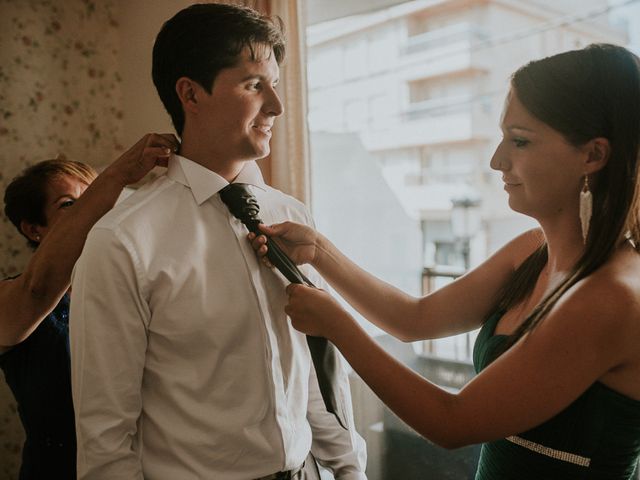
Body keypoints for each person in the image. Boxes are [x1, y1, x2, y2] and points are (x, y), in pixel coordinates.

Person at [250, 43, 640, 479]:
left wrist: (337, 325)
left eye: (520, 141)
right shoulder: (531, 251)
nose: (497, 160)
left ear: (593, 155)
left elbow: (453, 422)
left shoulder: (611, 298)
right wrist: (319, 252)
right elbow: (415, 319)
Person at [69, 4, 366, 480]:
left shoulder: (290, 216)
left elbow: (308, 371)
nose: (277, 105)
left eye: (275, 84)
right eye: (254, 85)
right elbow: (106, 440)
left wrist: (349, 468)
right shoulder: (122, 241)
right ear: (190, 93)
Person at [0, 133, 178, 480]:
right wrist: (115, 176)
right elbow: (39, 288)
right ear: (34, 229)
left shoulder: (130, 288)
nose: (96, 210)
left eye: (94, 196)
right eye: (70, 204)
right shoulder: (13, 299)